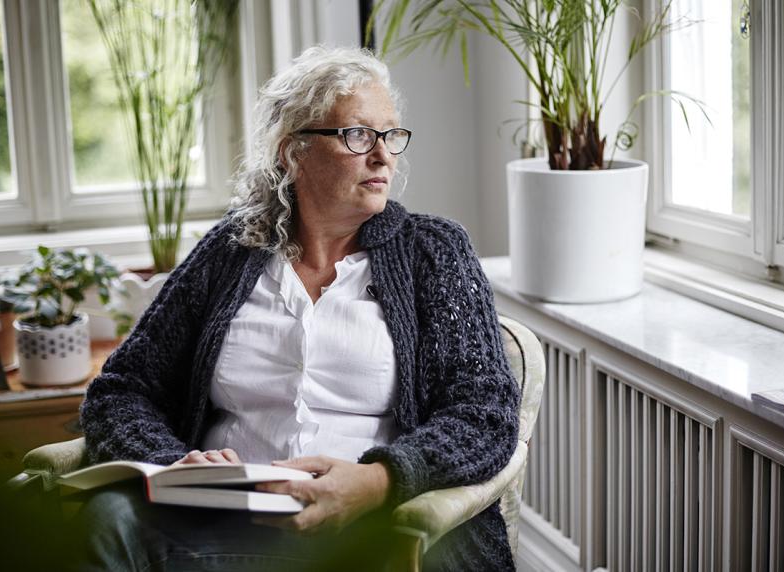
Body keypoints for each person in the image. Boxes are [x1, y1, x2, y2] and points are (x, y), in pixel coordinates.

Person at [77, 45, 520, 571]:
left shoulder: (435, 251)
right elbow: (121, 391)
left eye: (391, 135)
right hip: (223, 526)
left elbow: (484, 415)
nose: (383, 156)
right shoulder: (228, 251)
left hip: (372, 528)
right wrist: (176, 464)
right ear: (293, 152)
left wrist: (380, 481)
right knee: (108, 517)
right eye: (358, 135)